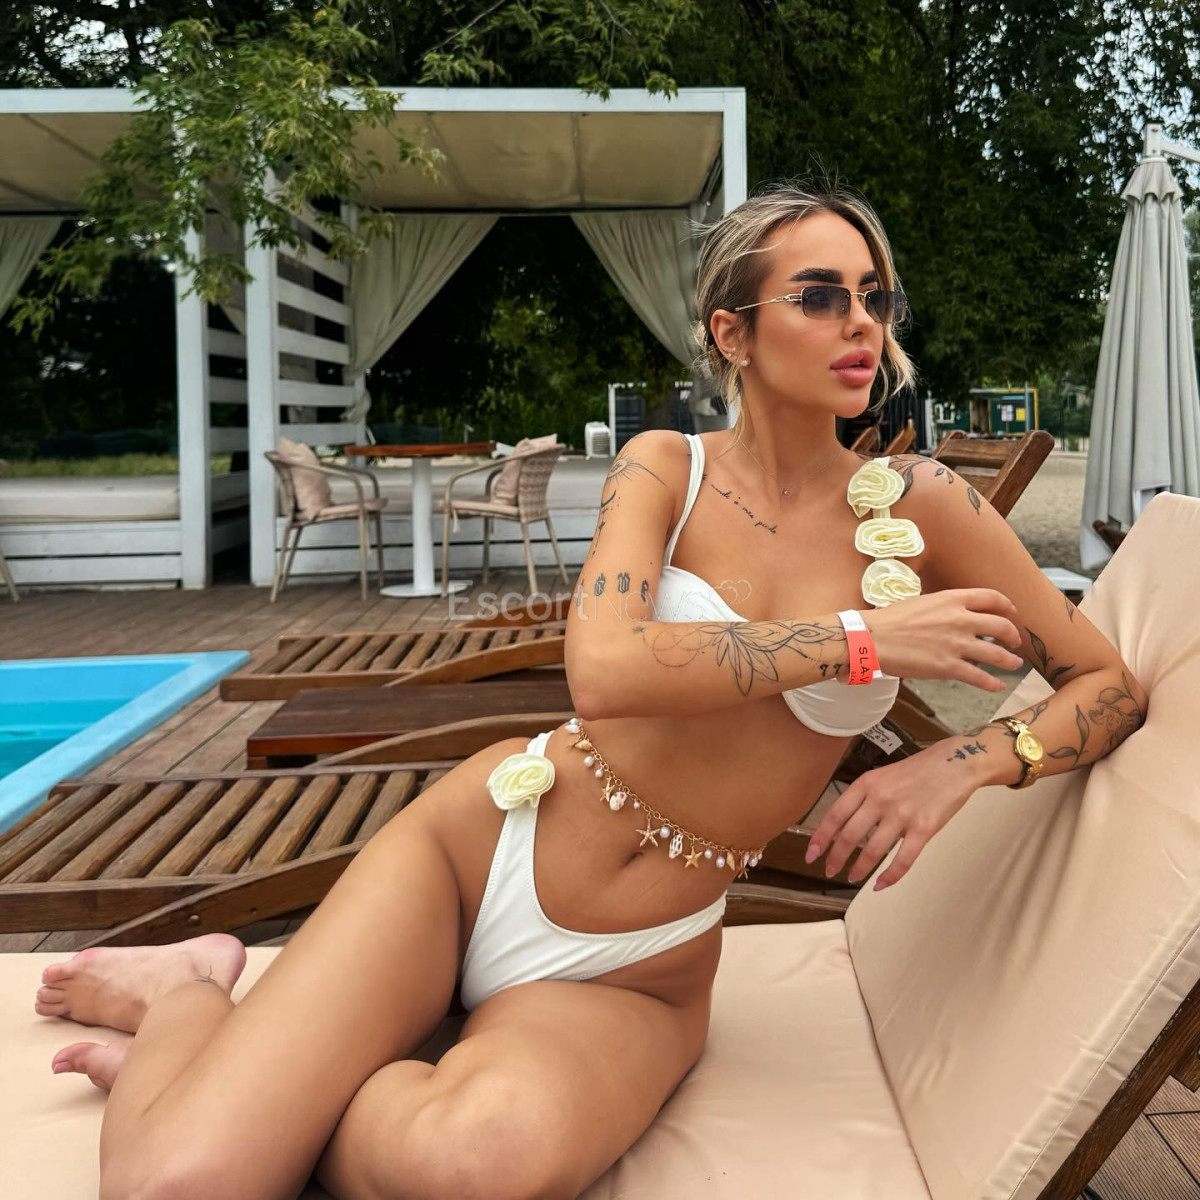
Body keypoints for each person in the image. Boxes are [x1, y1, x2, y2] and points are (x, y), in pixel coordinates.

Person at [34, 182, 1148, 1200]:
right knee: (177, 1186)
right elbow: (604, 670)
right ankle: (191, 993)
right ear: (733, 333)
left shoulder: (925, 504)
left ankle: (279, 1075)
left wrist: (960, 763)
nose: (862, 323)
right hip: (479, 853)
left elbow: (1106, 684)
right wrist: (861, 640)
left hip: (636, 966)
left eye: (875, 297)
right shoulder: (666, 465)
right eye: (820, 296)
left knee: (468, 1168)